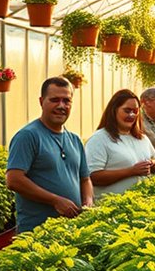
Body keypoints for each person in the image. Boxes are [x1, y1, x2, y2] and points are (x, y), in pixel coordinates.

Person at [6, 77, 93, 233]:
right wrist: (55, 201)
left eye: (66, 101)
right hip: (37, 232)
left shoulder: (74, 139)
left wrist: (88, 201)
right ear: (41, 101)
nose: (61, 106)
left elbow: (85, 179)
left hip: (72, 230)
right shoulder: (28, 136)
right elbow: (14, 180)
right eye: (54, 100)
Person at [84, 89, 155, 201]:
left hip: (141, 205)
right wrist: (131, 171)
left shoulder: (142, 138)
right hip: (112, 210)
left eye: (135, 111)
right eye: (127, 110)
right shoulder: (99, 139)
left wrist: (154, 164)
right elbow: (93, 177)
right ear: (114, 110)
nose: (132, 115)